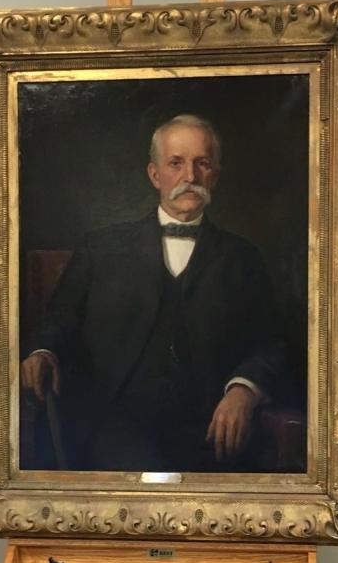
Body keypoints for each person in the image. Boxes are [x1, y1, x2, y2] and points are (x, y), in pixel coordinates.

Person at [21, 114, 295, 471]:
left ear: (215, 174)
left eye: (202, 164)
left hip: (211, 431)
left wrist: (243, 390)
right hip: (113, 426)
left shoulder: (243, 258)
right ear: (155, 174)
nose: (190, 177)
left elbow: (273, 344)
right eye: (176, 163)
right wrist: (42, 352)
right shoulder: (101, 249)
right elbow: (57, 323)